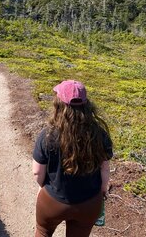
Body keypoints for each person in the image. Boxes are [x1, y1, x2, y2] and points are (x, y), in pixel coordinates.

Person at [33, 80, 113, 237]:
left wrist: (46, 189)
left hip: (53, 201)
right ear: (86, 104)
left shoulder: (47, 135)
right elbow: (104, 169)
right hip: (89, 203)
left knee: (43, 232)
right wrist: (102, 190)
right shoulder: (100, 134)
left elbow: (37, 173)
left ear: (58, 105)